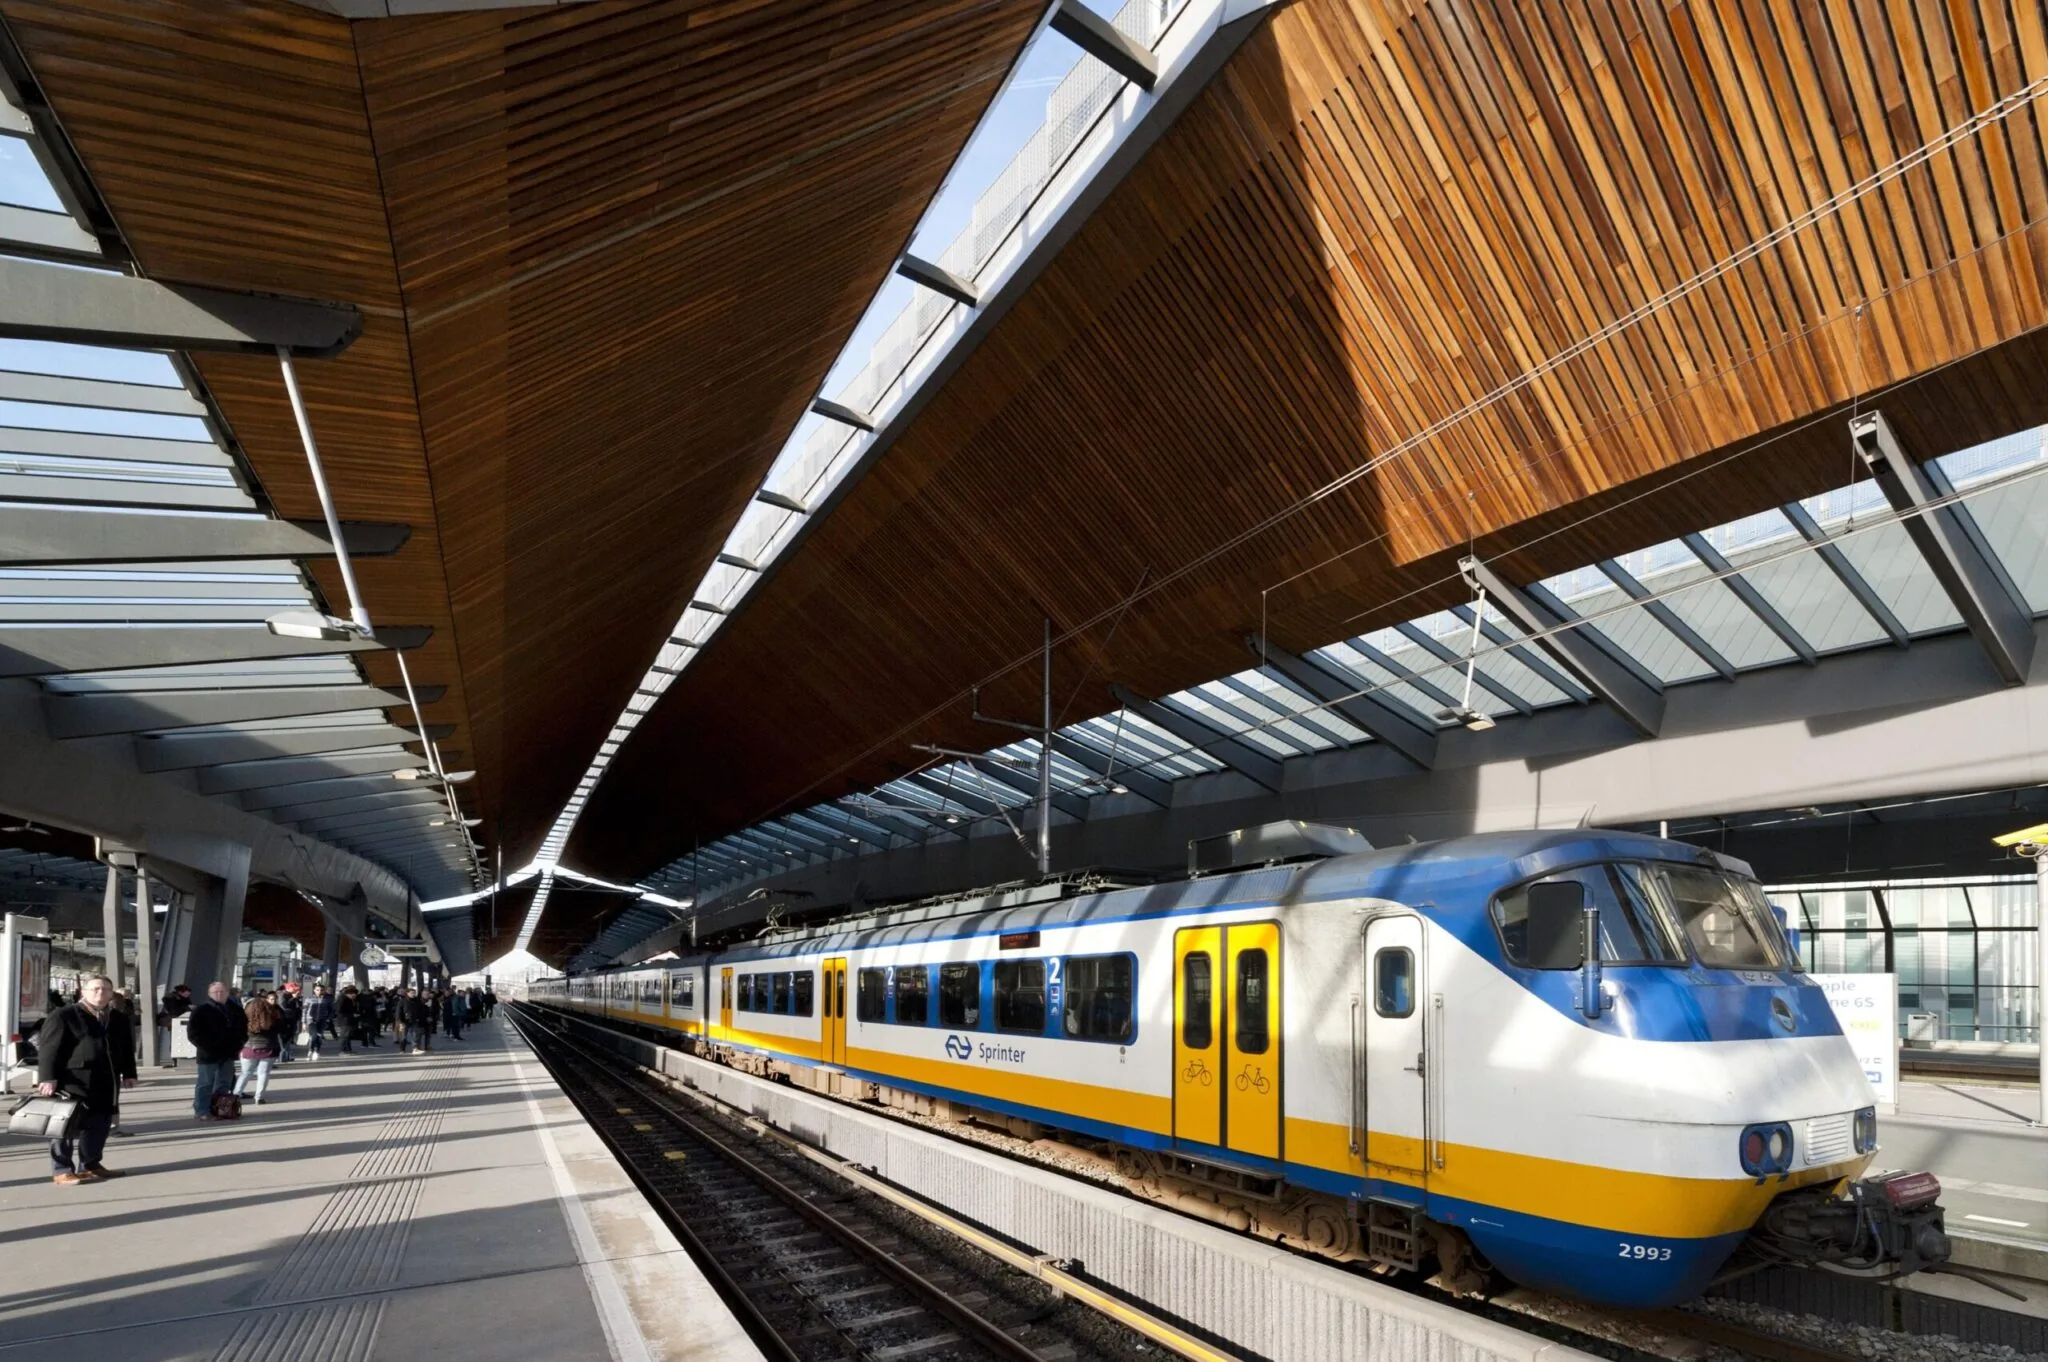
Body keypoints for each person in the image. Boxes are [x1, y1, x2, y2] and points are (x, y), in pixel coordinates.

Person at [34, 974, 137, 1184]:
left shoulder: (117, 1017)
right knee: (64, 1126)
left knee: (100, 1124)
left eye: (106, 990)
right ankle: (62, 1170)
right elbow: (48, 1050)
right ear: (84, 992)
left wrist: (130, 1073)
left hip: (106, 1080)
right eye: (96, 989)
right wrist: (47, 1077)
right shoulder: (64, 1015)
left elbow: (126, 1048)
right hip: (72, 1081)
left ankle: (91, 1165)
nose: (101, 993)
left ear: (112, 994)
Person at [185, 981, 247, 1119]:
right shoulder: (201, 1010)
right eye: (216, 992)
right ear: (209, 994)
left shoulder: (235, 1009)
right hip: (208, 1054)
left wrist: (240, 1044)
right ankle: (202, 1111)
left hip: (228, 1053)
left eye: (222, 991)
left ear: (227, 993)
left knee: (224, 1083)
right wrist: (207, 1045)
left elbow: (243, 1029)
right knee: (205, 1083)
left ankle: (220, 1108)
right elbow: (193, 1034)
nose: (219, 994)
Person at [234, 995, 281, 1104]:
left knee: (245, 1073)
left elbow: (240, 1034)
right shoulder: (273, 1018)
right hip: (268, 1048)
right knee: (263, 1073)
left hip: (249, 1048)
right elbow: (279, 1030)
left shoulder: (245, 1020)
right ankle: (259, 1097)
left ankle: (236, 1094)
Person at [305, 984, 335, 1060]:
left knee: (319, 1037)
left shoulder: (328, 999)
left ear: (324, 991)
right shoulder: (309, 998)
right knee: (314, 1036)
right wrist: (303, 1022)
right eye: (317, 990)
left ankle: (317, 1051)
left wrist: (328, 1019)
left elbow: (332, 1010)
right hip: (311, 1020)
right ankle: (310, 1050)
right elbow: (304, 1010)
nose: (319, 992)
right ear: (314, 990)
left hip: (322, 1020)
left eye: (321, 990)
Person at [276, 984, 303, 1064]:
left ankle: (287, 1055)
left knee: (289, 1038)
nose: (296, 991)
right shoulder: (282, 995)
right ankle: (282, 1056)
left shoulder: (291, 995)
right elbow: (284, 1006)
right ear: (288, 988)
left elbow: (297, 1006)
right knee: (284, 1039)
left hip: (292, 1019)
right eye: (294, 989)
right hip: (285, 1019)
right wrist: (293, 998)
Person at [398, 987, 430, 1055]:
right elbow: (398, 1012)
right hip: (405, 1021)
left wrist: (421, 1017)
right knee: (404, 1036)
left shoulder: (417, 1001)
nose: (413, 994)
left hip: (414, 1020)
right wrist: (400, 1022)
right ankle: (402, 1049)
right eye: (412, 993)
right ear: (407, 993)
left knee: (416, 1034)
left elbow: (420, 1010)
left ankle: (415, 1048)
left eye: (414, 993)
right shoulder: (402, 1001)